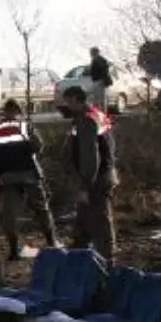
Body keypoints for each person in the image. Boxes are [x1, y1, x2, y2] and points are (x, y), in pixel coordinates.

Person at [0, 99, 60, 261]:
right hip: (28, 175)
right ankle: (52, 242)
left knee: (9, 215)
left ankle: (13, 251)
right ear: (17, 111)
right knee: (41, 209)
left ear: (4, 112)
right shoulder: (24, 126)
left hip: (5, 177)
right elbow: (39, 146)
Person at [61, 85, 117, 266]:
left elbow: (90, 154)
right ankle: (77, 259)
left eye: (68, 101)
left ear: (76, 99)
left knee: (100, 223)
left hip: (95, 180)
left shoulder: (85, 120)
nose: (67, 105)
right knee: (84, 223)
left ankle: (107, 264)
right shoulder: (97, 115)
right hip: (103, 175)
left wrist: (85, 185)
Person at [89, 46, 112, 112]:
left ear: (96, 52)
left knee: (101, 99)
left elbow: (104, 70)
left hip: (99, 81)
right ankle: (98, 114)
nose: (90, 54)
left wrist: (102, 80)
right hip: (96, 81)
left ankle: (103, 115)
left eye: (91, 52)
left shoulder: (100, 60)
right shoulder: (95, 60)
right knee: (95, 99)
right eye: (90, 53)